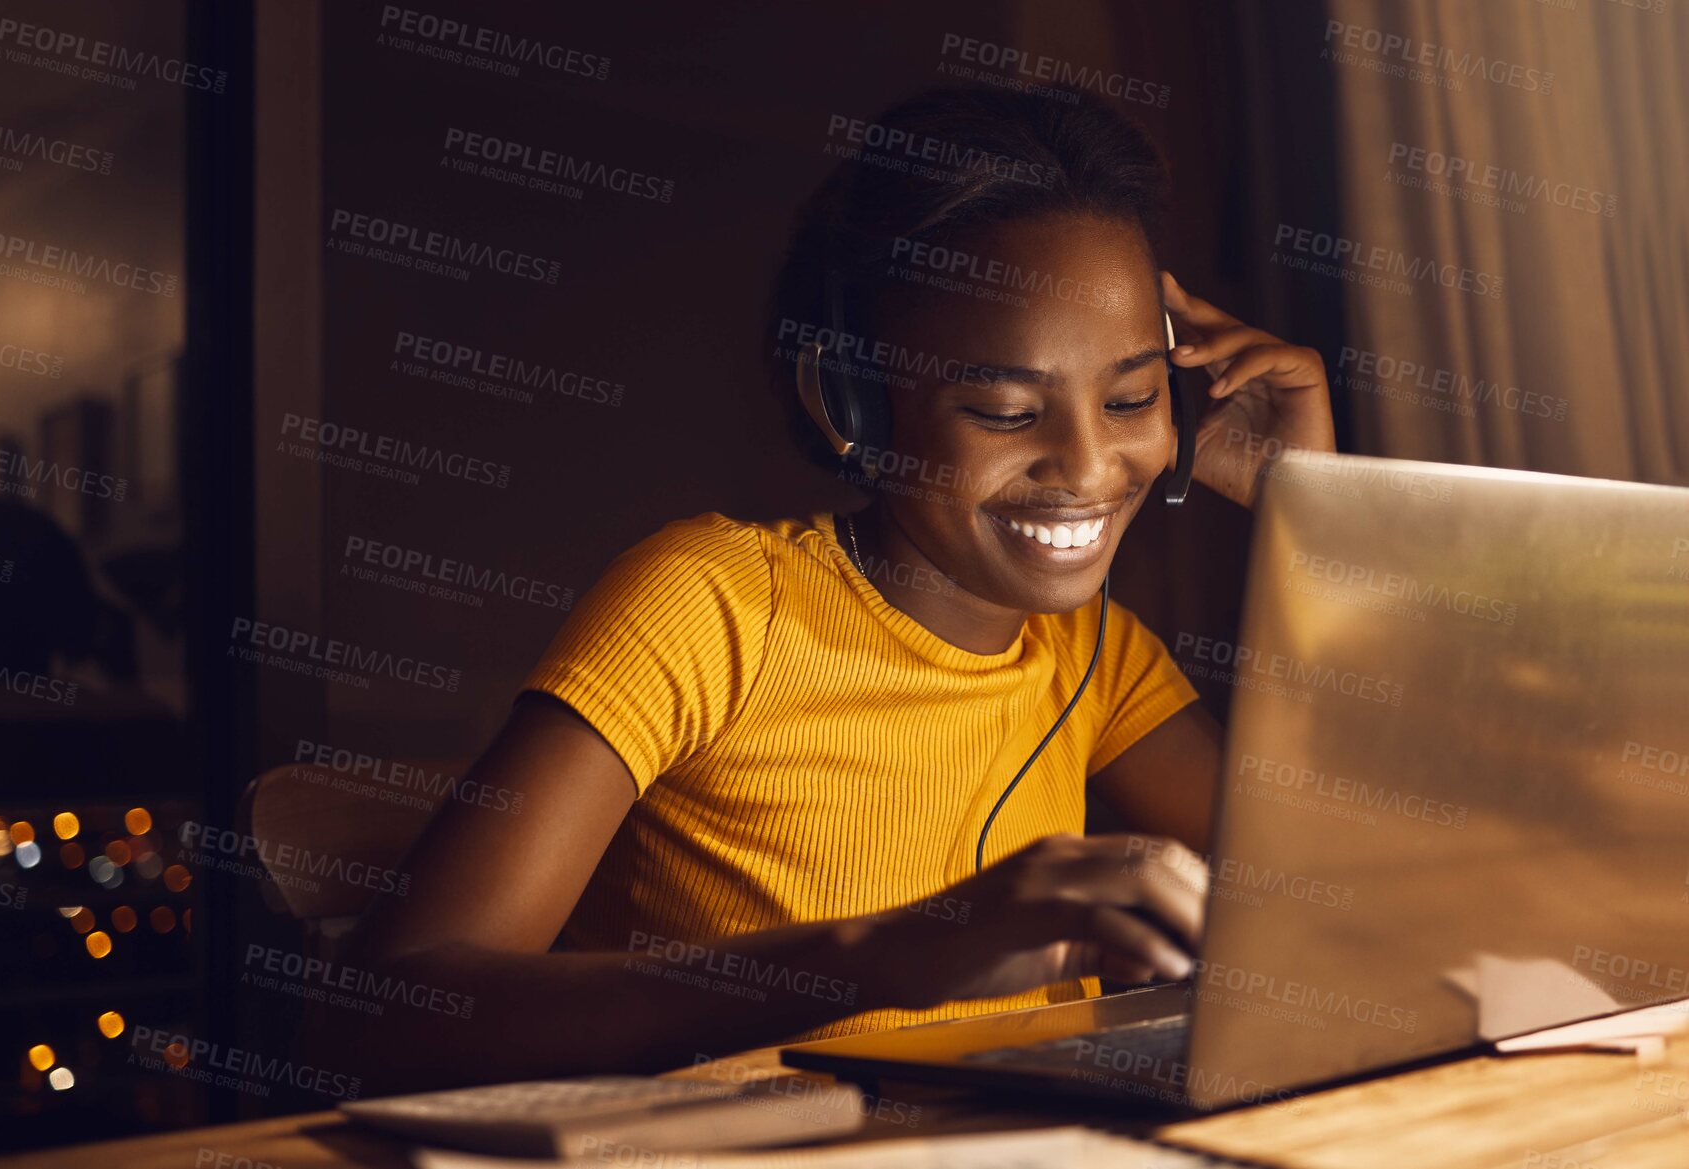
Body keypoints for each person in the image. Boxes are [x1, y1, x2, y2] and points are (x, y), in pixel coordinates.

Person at [326, 86, 1335, 1092]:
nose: (1087, 462)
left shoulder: (1096, 657)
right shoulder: (709, 604)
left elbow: (1345, 902)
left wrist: (1318, 518)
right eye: (1000, 409)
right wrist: (888, 953)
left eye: (1132, 398)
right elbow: (392, 1013)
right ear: (851, 400)